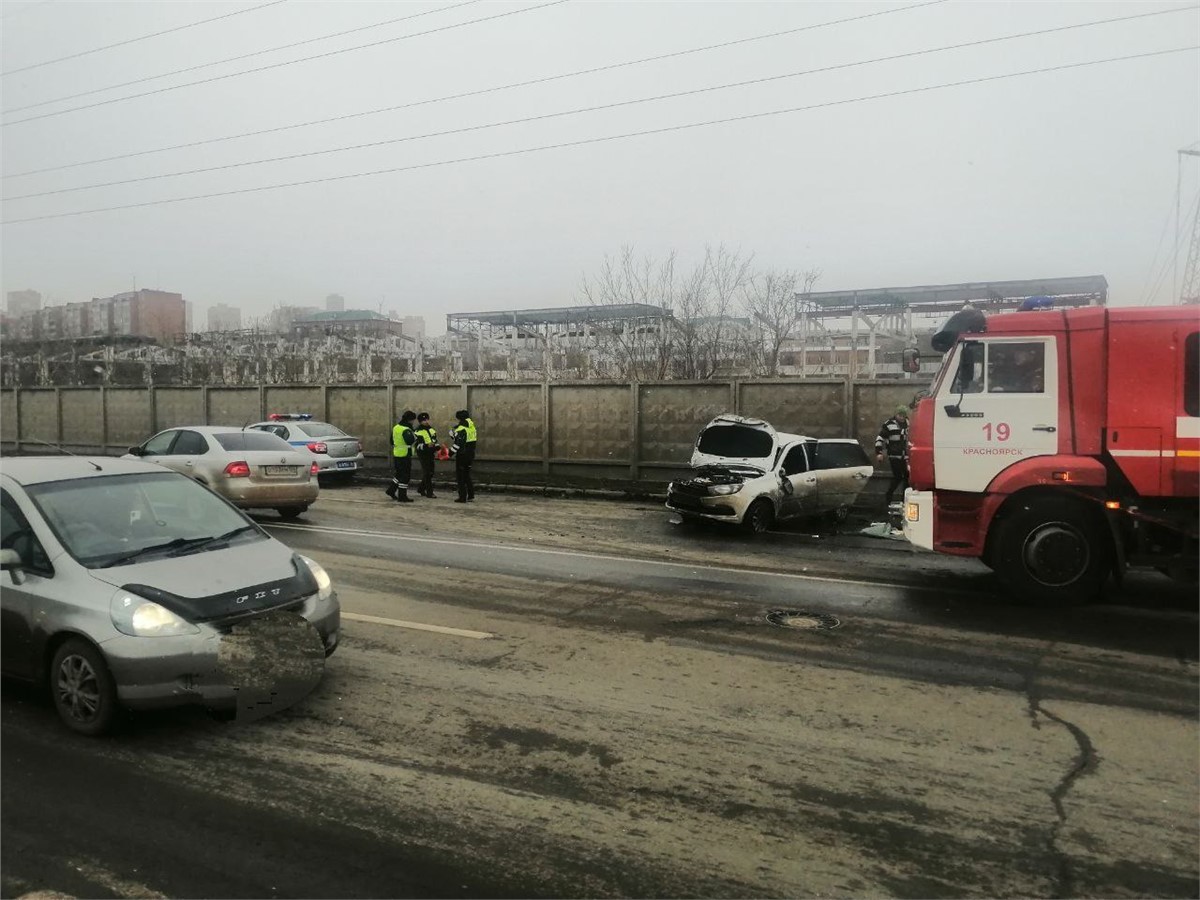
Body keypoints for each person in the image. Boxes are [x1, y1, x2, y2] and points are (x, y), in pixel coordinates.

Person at [875, 405, 909, 508]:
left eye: (903, 415)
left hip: (906, 456)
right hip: (894, 456)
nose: (902, 417)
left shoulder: (908, 424)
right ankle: (889, 495)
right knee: (898, 477)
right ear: (896, 414)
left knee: (907, 478)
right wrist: (879, 452)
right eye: (900, 415)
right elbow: (880, 438)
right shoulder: (889, 424)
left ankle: (904, 500)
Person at [385, 410, 417, 503]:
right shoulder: (406, 429)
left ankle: (391, 490)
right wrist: (416, 436)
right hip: (405, 454)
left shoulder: (396, 427)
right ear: (409, 420)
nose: (413, 422)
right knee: (405, 476)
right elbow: (410, 441)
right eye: (412, 420)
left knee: (399, 474)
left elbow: (391, 441)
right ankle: (402, 496)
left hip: (397, 454)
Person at [451, 409, 477, 503]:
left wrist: (449, 454)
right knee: (467, 475)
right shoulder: (472, 427)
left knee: (460, 477)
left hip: (462, 455)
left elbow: (458, 444)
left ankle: (462, 497)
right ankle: (471, 495)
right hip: (471, 454)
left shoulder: (461, 429)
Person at [413, 412, 438, 498]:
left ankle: (421, 488)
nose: (426, 421)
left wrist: (437, 447)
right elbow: (417, 445)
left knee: (431, 473)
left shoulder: (432, 430)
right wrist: (426, 445)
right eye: (424, 420)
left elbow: (435, 440)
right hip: (423, 454)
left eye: (427, 419)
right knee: (427, 473)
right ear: (420, 422)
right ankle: (430, 493)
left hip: (431, 453)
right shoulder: (417, 431)